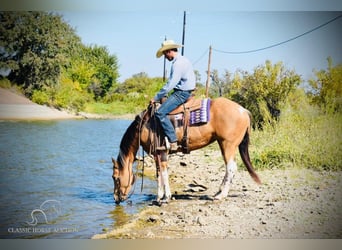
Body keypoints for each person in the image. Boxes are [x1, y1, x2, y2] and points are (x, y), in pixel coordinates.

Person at [150, 40, 196, 152]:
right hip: (185, 91)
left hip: (181, 93)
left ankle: (173, 140)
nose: (165, 57)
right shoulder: (184, 59)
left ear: (169, 51)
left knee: (159, 113)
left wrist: (156, 97)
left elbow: (171, 83)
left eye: (165, 54)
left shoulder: (177, 64)